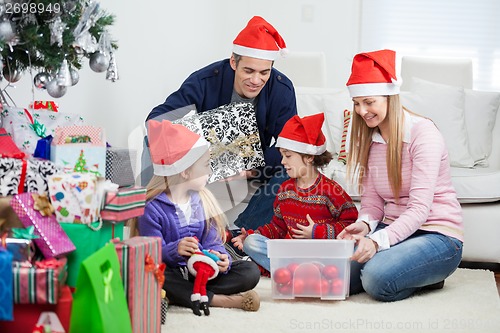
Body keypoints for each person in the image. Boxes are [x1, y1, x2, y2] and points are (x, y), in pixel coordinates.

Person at [146, 16, 297, 232]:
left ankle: (241, 235)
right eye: (248, 71)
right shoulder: (205, 80)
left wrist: (250, 168)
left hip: (254, 164)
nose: (256, 80)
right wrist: (197, 152)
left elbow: (291, 147)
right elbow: (158, 118)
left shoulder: (282, 90)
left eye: (264, 72)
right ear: (234, 62)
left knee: (294, 170)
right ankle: (163, 223)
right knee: (152, 139)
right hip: (203, 159)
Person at [337, 49, 464, 302]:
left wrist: (376, 243)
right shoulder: (372, 140)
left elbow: (419, 209)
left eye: (369, 102)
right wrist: (364, 226)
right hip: (395, 229)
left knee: (375, 278)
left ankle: (430, 276)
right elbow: (372, 203)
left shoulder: (423, 134)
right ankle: (408, 269)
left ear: (389, 98)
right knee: (338, 274)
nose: (362, 111)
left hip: (436, 235)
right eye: (357, 103)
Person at [137, 119, 261, 315]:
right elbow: (151, 253)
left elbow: (213, 242)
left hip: (203, 272)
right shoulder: (152, 209)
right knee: (150, 273)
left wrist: (223, 259)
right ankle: (218, 300)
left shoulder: (202, 201)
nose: (210, 171)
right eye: (205, 166)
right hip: (172, 273)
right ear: (185, 172)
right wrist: (175, 249)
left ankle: (188, 294)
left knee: (250, 271)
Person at [231, 113, 358, 274]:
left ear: (309, 157)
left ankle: (287, 271)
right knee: (252, 243)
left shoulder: (331, 191)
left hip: (320, 254)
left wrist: (318, 231)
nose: (283, 161)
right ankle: (295, 272)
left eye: (288, 156)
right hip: (291, 252)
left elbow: (350, 225)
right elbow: (277, 227)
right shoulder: (285, 190)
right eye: (282, 155)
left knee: (342, 257)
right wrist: (251, 234)